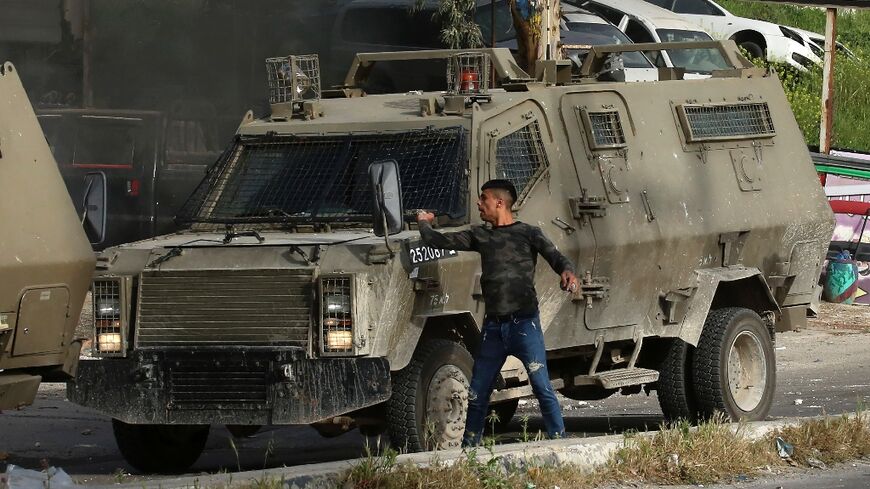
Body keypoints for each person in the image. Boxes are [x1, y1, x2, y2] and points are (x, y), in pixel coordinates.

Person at [416, 179, 579, 447]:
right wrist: (424, 222)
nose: (479, 204)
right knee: (478, 394)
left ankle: (559, 445)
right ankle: (469, 450)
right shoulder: (480, 236)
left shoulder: (529, 233)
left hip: (525, 326)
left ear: (500, 202)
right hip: (493, 329)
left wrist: (567, 271)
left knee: (541, 387)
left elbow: (556, 257)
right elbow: (437, 241)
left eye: (483, 199)